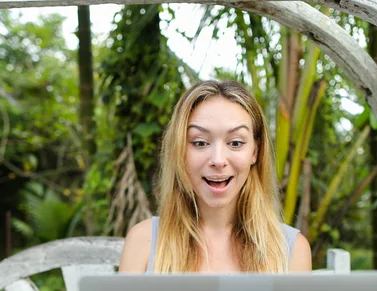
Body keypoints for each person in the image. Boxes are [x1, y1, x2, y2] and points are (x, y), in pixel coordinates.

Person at [119, 80, 312, 273]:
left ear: (255, 152)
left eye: (235, 143)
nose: (218, 161)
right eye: (200, 143)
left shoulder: (292, 251)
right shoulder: (143, 243)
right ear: (179, 151)